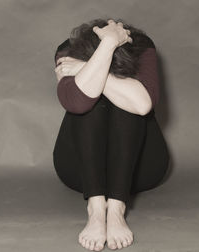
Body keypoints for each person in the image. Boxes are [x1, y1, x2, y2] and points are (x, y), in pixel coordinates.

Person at [53, 18, 170, 251]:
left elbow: (142, 104)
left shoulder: (142, 45)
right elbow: (76, 102)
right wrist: (108, 45)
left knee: (126, 102)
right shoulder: (68, 48)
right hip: (79, 170)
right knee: (89, 101)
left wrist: (82, 68)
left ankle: (117, 208)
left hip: (141, 169)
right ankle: (95, 210)